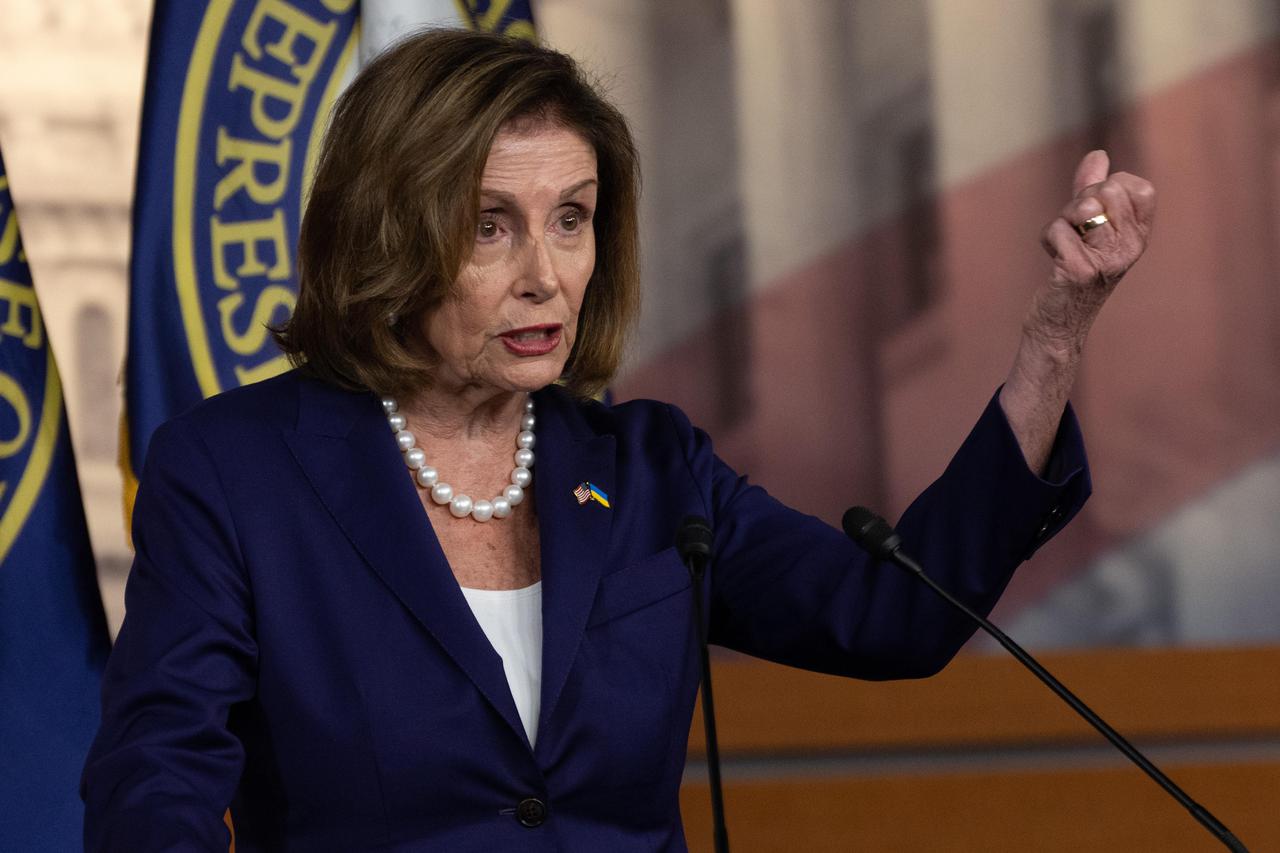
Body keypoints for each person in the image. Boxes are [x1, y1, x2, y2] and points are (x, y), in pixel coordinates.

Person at [81, 29, 1155, 852]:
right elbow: (153, 779)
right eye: (488, 223)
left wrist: (1055, 330)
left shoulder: (648, 471)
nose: (545, 274)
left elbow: (898, 616)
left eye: (572, 216)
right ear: (385, 231)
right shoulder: (236, 474)